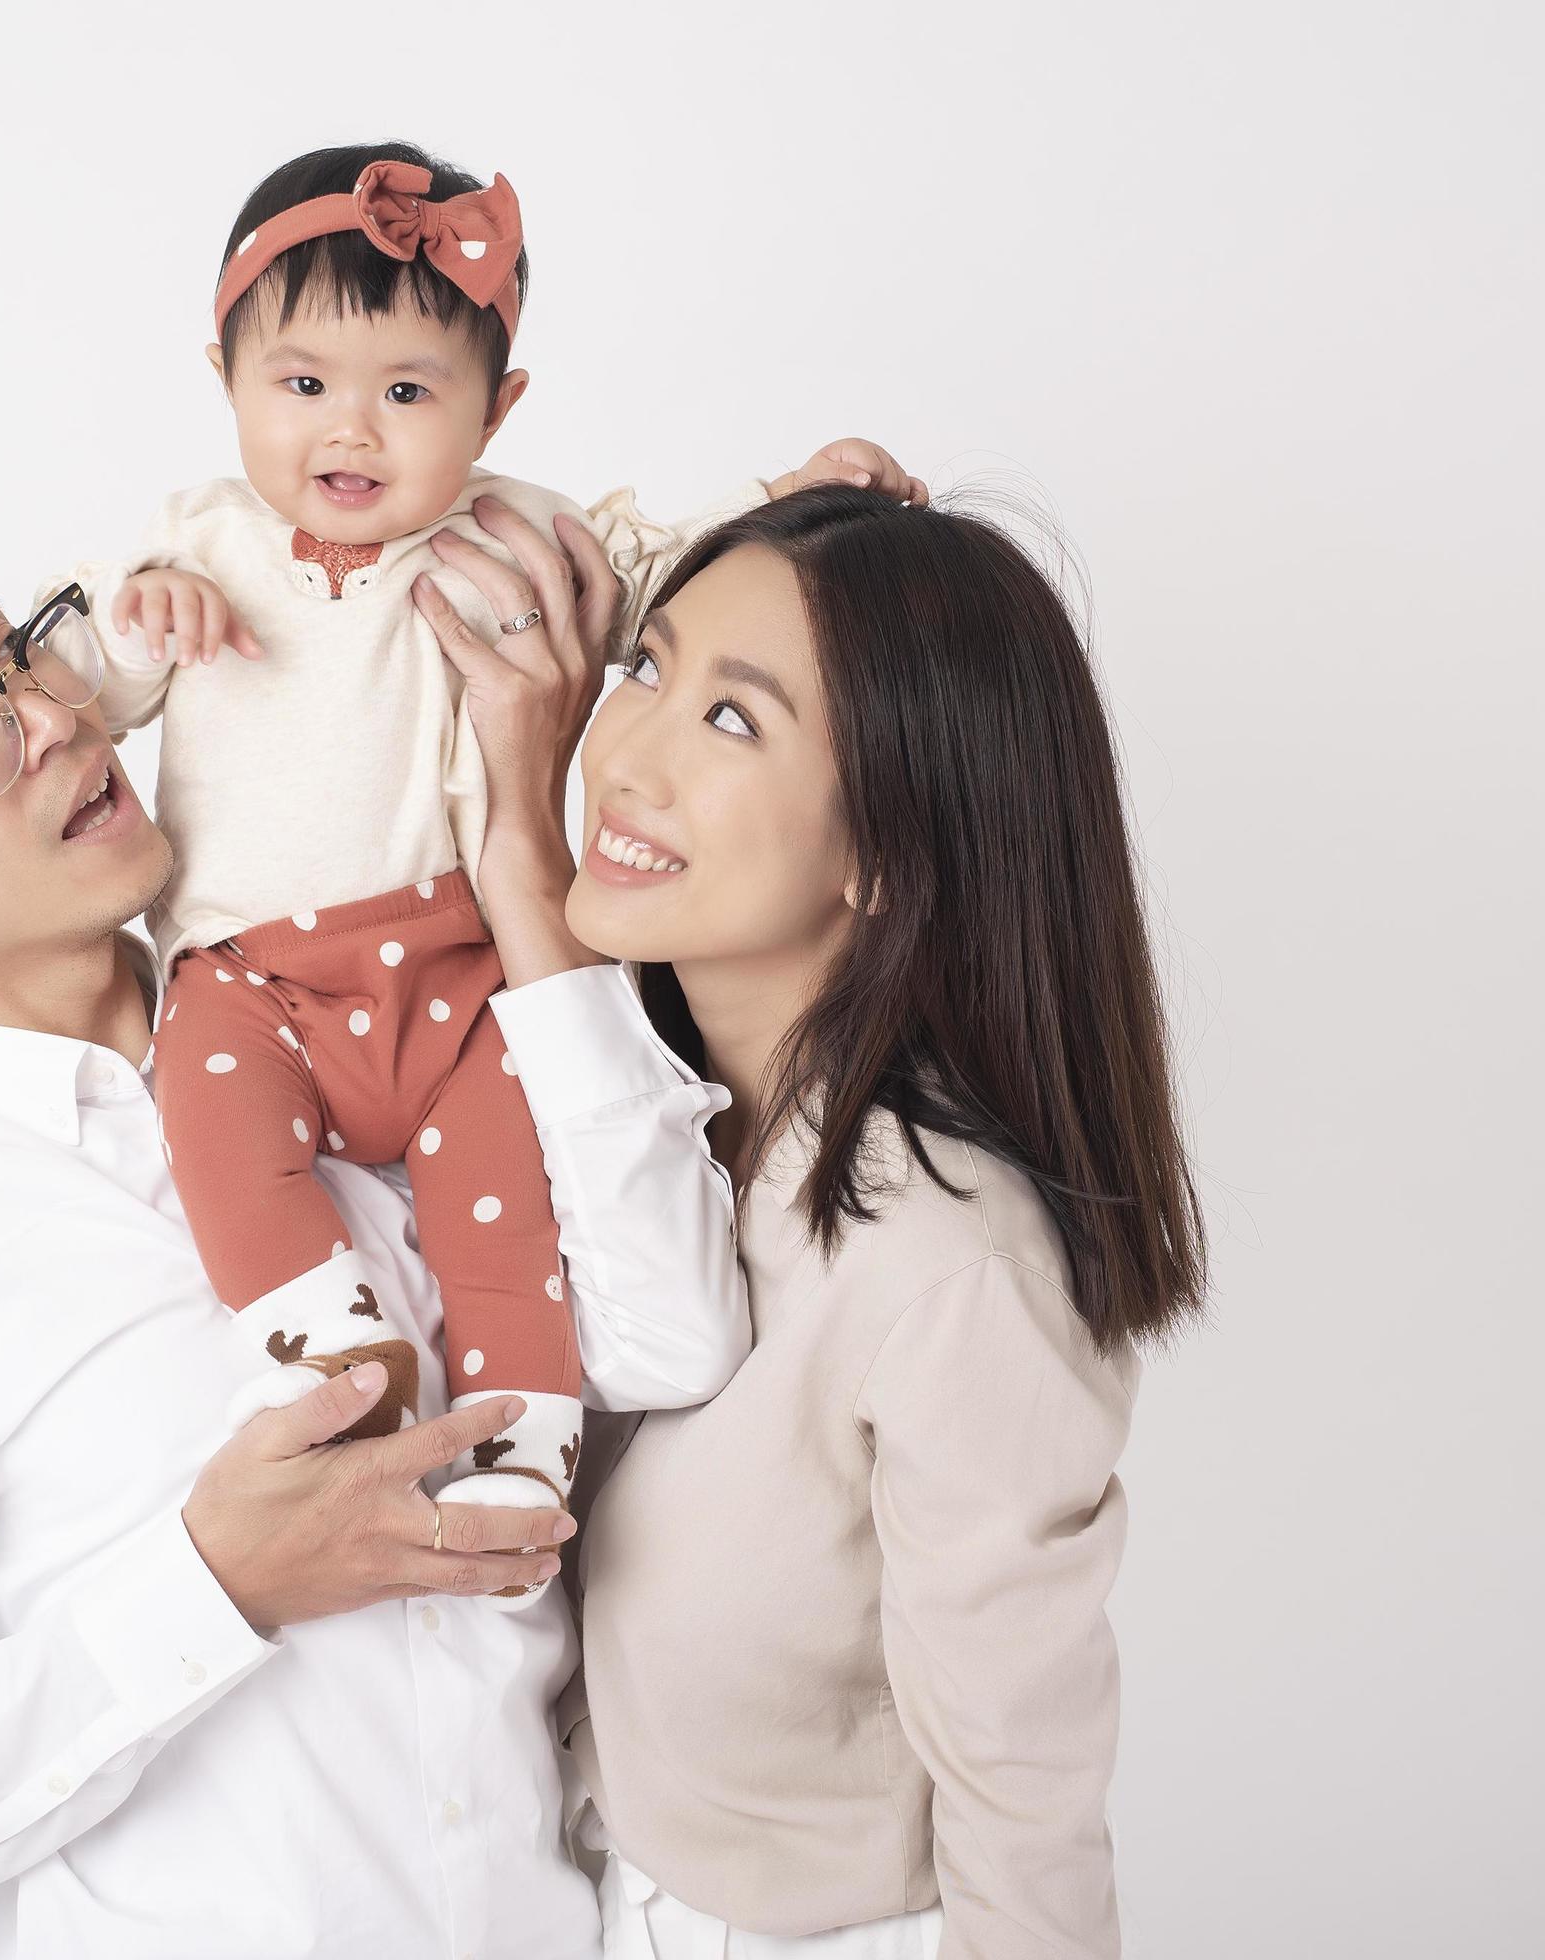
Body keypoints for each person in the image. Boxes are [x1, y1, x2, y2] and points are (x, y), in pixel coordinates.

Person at [0, 507, 742, 1957]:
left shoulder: (358, 1016)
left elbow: (675, 1337)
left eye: (18, 651)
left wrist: (527, 856)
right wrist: (212, 1584)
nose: (44, 718)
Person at [60, 138, 922, 1562]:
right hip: (252, 984)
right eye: (301, 386)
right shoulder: (199, 545)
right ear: (222, 376)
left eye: (408, 393)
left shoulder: (517, 537)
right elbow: (84, 690)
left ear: (496, 408)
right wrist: (139, 610)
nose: (351, 431)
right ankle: (336, 1355)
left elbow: (681, 585)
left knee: (502, 1213)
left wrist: (796, 501)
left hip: (465, 973)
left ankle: (522, 1437)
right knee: (210, 1134)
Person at [436, 484, 1207, 1955]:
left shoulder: (944, 1260)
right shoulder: (629, 1108)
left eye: (733, 722)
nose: (628, 758)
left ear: (887, 853)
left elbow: (1021, 1776)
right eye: (646, 671)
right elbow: (383, 464)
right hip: (589, 1893)